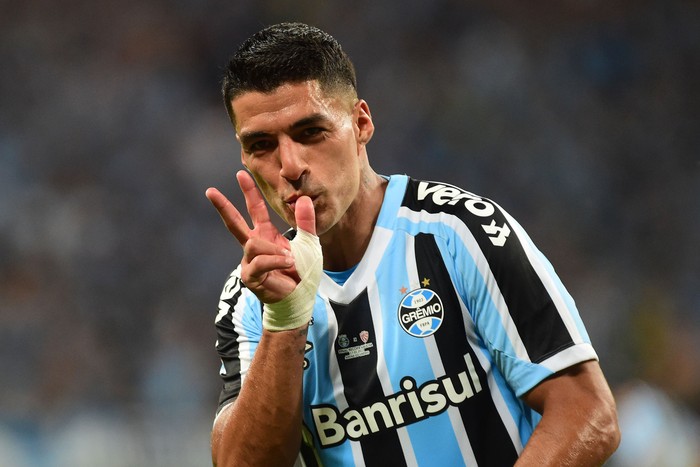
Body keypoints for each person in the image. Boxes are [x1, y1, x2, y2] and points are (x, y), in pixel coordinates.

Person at [205, 22, 620, 467]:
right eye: (262, 145)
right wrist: (285, 322)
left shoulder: (460, 232)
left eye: (310, 132)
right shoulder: (250, 300)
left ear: (361, 123)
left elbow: (587, 411)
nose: (290, 165)